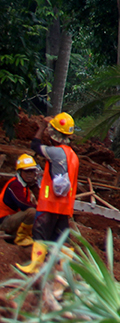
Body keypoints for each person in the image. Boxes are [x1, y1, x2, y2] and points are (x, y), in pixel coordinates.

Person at [19, 113, 79, 275]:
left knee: (40, 233)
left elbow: (35, 145)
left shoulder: (56, 153)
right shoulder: (73, 156)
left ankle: (36, 266)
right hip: (65, 207)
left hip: (49, 203)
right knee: (61, 238)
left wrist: (41, 128)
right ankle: (66, 271)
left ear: (55, 134)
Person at [1, 155, 40, 243]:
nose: (30, 174)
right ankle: (21, 238)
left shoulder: (25, 186)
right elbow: (22, 204)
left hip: (12, 218)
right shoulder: (15, 185)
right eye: (27, 171)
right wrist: (39, 208)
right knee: (32, 212)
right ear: (19, 172)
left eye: (32, 171)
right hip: (4, 221)